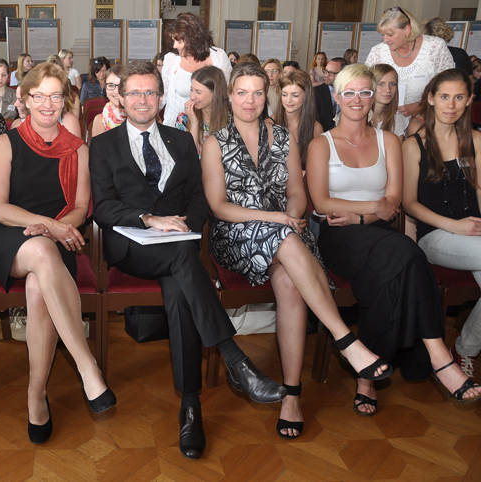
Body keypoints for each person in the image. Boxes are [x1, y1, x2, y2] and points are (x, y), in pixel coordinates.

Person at [89, 61, 285, 459]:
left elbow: (199, 199)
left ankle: (190, 406)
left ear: (161, 98)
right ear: (121, 99)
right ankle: (234, 359)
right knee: (182, 261)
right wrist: (149, 220)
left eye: (150, 92)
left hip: (179, 248)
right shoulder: (104, 145)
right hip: (131, 248)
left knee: (180, 289)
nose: (142, 100)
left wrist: (185, 226)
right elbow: (104, 209)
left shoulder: (181, 142)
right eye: (134, 93)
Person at [202, 61, 390, 440]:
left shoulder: (286, 139)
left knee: (288, 280)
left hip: (285, 233)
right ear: (229, 96)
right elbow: (219, 206)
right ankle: (346, 340)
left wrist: (289, 214)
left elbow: (298, 194)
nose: (250, 100)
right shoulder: (214, 142)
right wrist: (276, 219)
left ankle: (291, 395)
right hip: (235, 235)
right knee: (287, 242)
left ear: (266, 95)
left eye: (258, 92)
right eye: (242, 92)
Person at [307, 64, 481, 417]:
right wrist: (372, 208)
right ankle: (439, 357)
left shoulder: (390, 141)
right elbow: (323, 204)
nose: (358, 100)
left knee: (387, 274)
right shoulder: (320, 144)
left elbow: (396, 200)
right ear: (337, 97)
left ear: (374, 99)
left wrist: (363, 213)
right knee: (406, 253)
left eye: (365, 93)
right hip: (338, 239)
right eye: (350, 93)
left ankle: (367, 380)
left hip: (381, 236)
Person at [0, 62, 115, 445]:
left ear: (65, 101)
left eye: (55, 95)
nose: (47, 103)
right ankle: (87, 366)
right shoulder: (5, 142)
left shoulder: (77, 148)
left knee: (39, 287)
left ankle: (35, 393)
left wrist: (59, 227)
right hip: (10, 237)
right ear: (23, 101)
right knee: (41, 249)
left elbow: (80, 207)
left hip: (59, 241)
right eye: (38, 95)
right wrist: (51, 225)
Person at [402, 69, 481, 383]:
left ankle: (465, 349)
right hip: (435, 236)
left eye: (459, 97)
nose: (452, 104)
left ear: (469, 100)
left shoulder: (476, 140)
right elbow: (409, 204)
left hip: (474, 233)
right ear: (431, 99)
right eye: (444, 96)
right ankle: (466, 349)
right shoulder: (414, 145)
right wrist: (455, 226)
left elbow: (479, 190)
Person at [365, 7, 453, 119]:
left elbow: (449, 85)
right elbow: (366, 86)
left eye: (390, 34)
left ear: (407, 30)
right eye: (383, 35)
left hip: (425, 118)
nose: (385, 40)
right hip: (386, 119)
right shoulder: (377, 52)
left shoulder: (435, 47)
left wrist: (420, 105)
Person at [161, 12, 232, 126]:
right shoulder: (171, 59)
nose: (174, 46)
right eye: (173, 41)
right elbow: (163, 96)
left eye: (179, 41)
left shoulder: (218, 56)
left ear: (193, 38)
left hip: (213, 124)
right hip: (178, 126)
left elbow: (227, 93)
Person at [274, 70, 323, 169]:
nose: (288, 100)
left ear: (306, 96)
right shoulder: (270, 124)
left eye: (295, 95)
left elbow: (318, 167)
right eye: (284, 94)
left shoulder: (315, 128)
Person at [175, 66, 229, 155]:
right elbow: (189, 157)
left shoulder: (230, 120)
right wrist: (194, 124)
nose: (192, 97)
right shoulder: (184, 118)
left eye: (198, 92)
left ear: (215, 93)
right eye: (191, 90)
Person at [10, 84, 83, 138]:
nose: (15, 104)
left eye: (21, 101)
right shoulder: (17, 125)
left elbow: (77, 155)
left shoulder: (68, 121)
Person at [369, 64, 407, 140]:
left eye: (392, 84)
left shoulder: (397, 119)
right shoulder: (358, 117)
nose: (388, 90)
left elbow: (397, 151)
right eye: (381, 84)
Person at [90, 64, 125, 138]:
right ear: (105, 87)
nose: (116, 91)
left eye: (121, 86)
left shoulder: (142, 114)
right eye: (111, 85)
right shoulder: (100, 120)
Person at [313, 57, 347, 132]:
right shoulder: (316, 92)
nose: (326, 75)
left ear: (343, 74)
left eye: (331, 73)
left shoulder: (350, 92)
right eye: (326, 71)